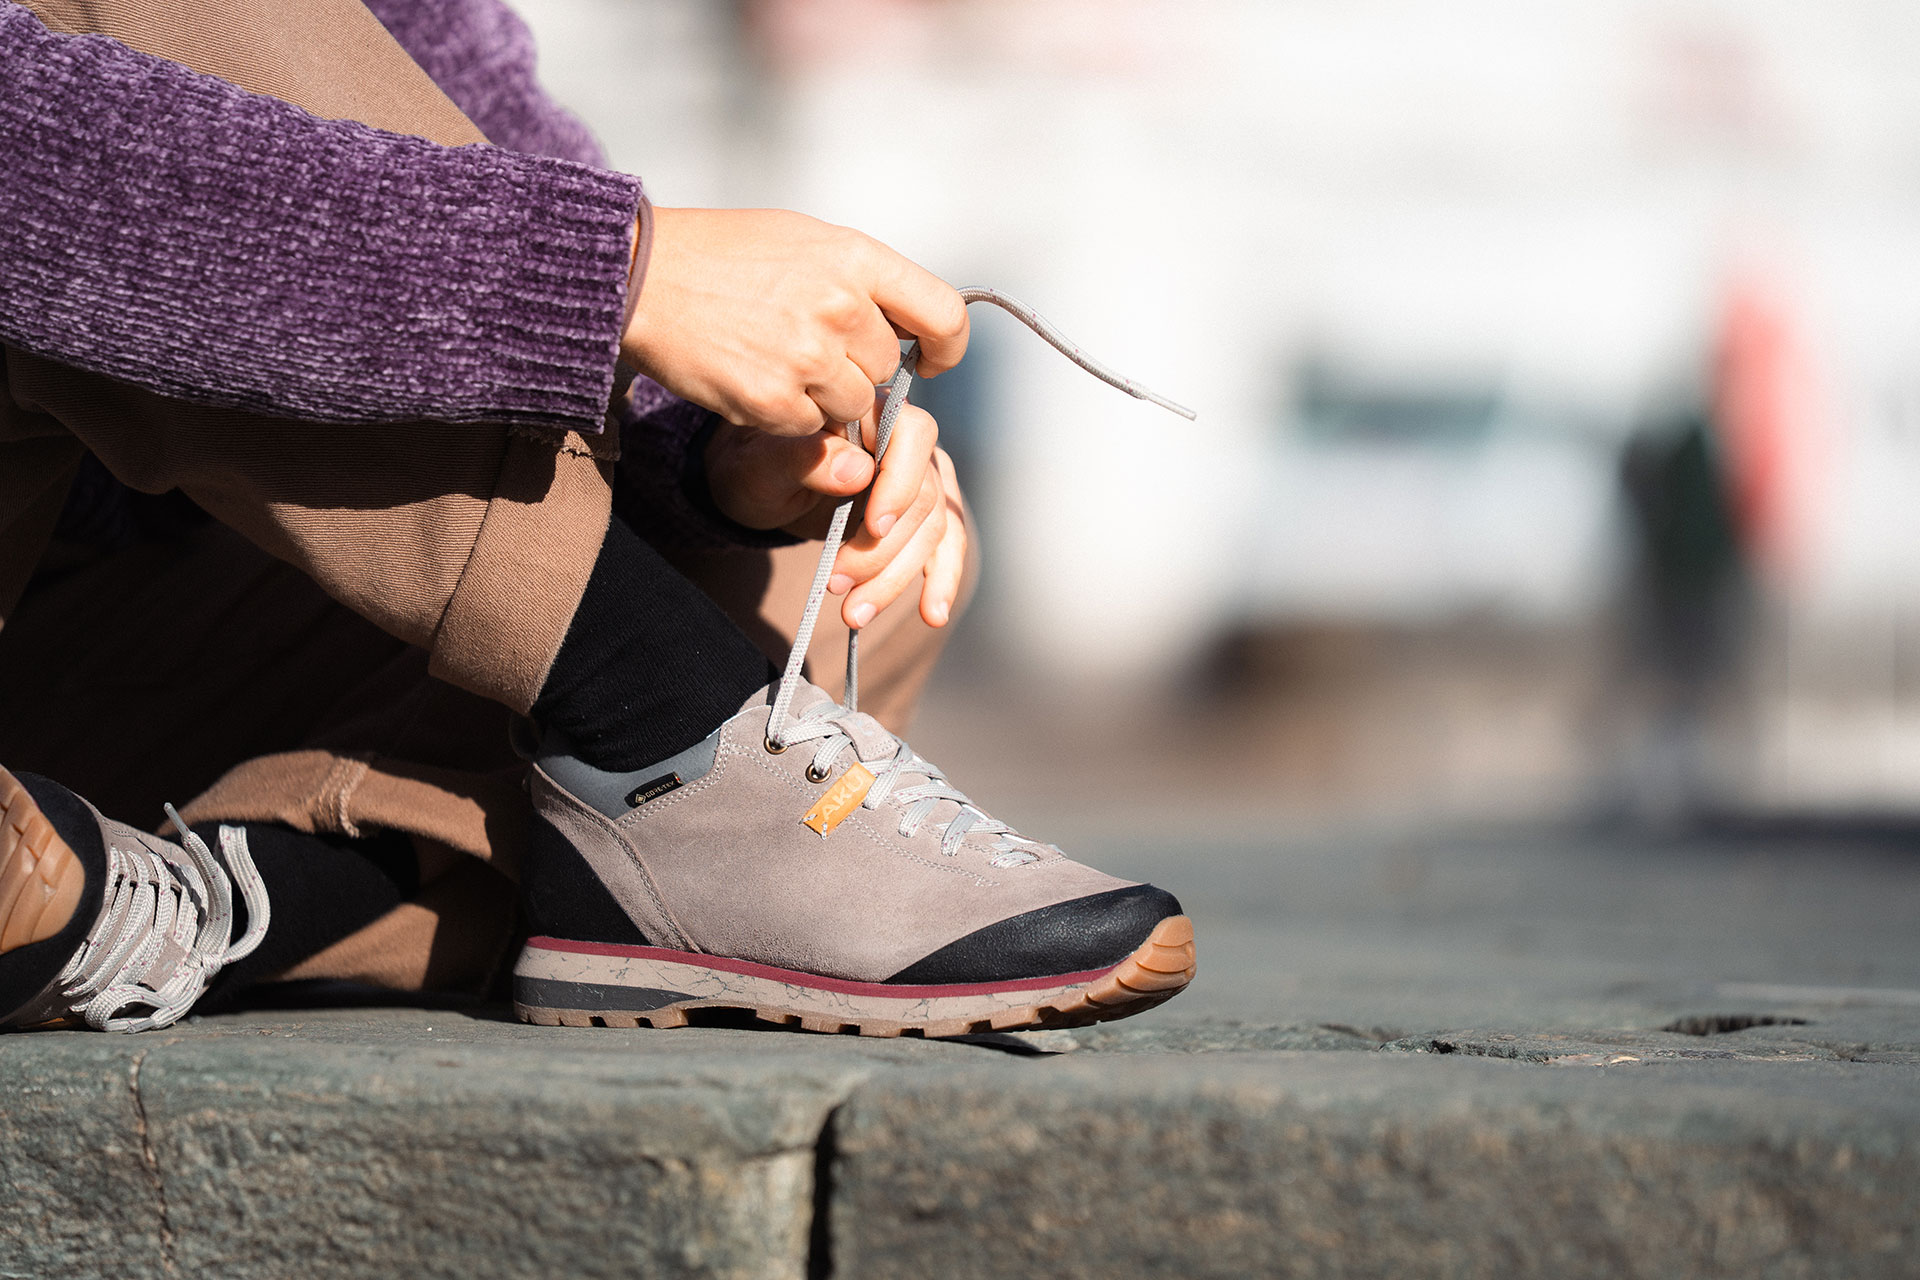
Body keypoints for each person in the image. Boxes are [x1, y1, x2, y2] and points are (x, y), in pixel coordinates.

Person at [0, 0, 1194, 1036]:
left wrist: (717, 459)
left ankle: (172, 900)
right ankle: (671, 745)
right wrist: (615, 272)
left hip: (133, 646)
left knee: (831, 575)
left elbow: (482, 140)